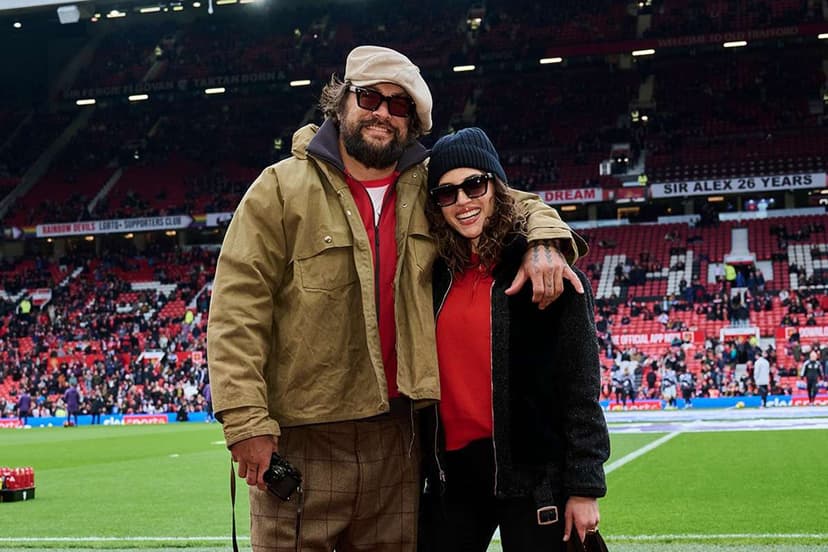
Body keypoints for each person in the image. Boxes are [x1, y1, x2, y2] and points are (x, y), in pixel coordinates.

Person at [207, 46, 587, 552]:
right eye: (370, 97)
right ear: (340, 101)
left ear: (412, 123)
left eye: (399, 105)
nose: (383, 112)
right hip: (304, 441)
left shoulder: (427, 188)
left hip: (400, 442)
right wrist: (246, 421)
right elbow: (236, 311)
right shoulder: (278, 189)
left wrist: (544, 240)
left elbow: (508, 197)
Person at [418, 127, 609, 552]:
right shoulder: (432, 278)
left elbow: (581, 389)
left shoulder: (551, 275)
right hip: (453, 478)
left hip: (535, 479)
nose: (463, 201)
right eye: (447, 193)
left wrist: (584, 487)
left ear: (497, 186)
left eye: (474, 185)